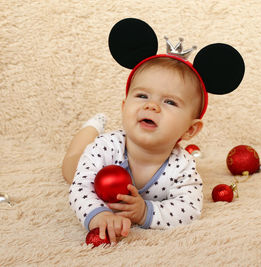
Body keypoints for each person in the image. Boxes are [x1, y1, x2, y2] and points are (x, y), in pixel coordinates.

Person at [63, 56, 205, 244]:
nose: (151, 105)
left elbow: (189, 208)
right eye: (142, 96)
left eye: (169, 102)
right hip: (84, 162)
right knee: (69, 168)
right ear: (124, 107)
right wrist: (99, 215)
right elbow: (80, 188)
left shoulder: (182, 166)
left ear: (190, 129)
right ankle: (92, 126)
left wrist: (145, 212)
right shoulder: (104, 147)